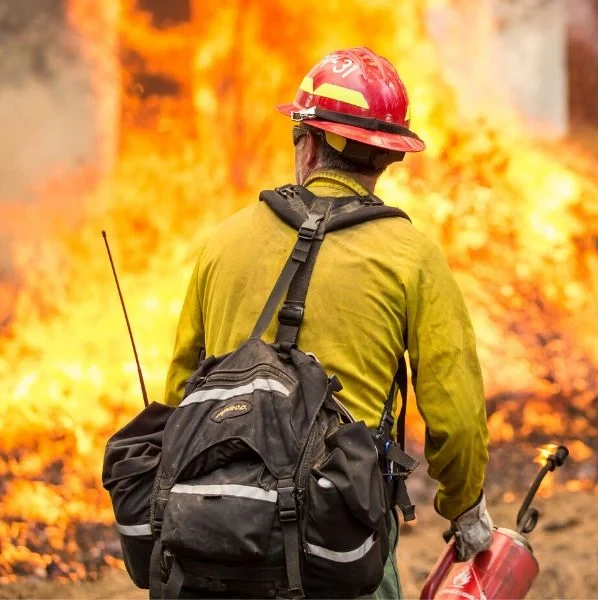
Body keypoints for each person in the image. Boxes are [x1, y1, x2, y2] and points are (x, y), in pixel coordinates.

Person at [162, 47, 493, 599]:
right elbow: (455, 417)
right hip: (341, 545)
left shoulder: (223, 243)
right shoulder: (410, 257)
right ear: (387, 158)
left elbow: (180, 394)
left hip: (218, 538)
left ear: (308, 140)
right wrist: (464, 506)